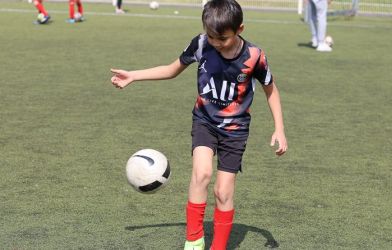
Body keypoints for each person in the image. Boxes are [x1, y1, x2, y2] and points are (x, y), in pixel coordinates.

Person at [110, 0, 288, 249]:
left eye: (222, 38)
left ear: (240, 29)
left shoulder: (255, 56)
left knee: (223, 192)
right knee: (201, 173)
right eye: (211, 36)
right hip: (204, 120)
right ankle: (193, 240)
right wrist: (134, 76)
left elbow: (271, 90)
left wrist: (279, 128)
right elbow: (172, 69)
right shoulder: (201, 43)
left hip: (235, 130)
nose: (215, 42)